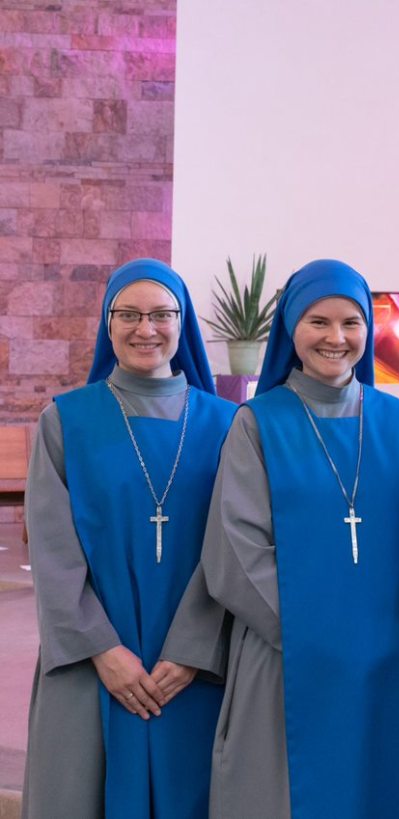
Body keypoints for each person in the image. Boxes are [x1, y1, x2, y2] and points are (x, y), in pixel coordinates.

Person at [202, 258, 399, 819]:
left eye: (351, 323)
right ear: (291, 329)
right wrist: (315, 633)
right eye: (318, 322)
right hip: (289, 654)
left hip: (393, 660)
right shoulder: (257, 423)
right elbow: (235, 550)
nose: (336, 337)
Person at [22, 258, 235, 819]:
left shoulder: (230, 424)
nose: (146, 329)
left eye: (162, 314)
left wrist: (191, 652)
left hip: (194, 664)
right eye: (129, 315)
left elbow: (233, 546)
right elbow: (52, 549)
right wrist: (103, 649)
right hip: (90, 656)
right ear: (107, 323)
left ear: (183, 322)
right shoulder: (65, 421)